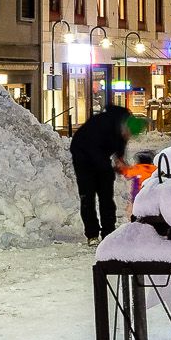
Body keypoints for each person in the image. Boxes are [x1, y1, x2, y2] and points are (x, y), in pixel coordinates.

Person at [68, 95, 131, 242]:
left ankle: (108, 232)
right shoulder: (103, 125)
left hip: (95, 157)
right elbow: (91, 148)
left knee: (106, 198)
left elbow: (121, 142)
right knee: (88, 197)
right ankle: (93, 234)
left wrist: (119, 160)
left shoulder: (117, 125)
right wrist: (107, 169)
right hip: (83, 159)